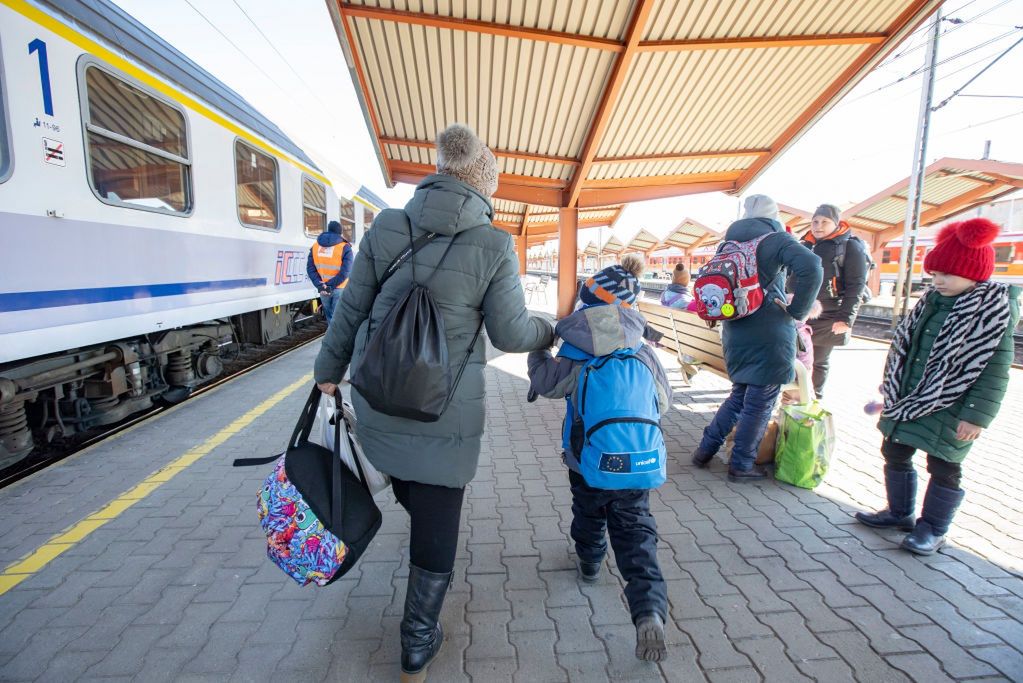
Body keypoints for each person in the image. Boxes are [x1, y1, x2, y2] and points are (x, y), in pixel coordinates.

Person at [314, 124, 554, 680]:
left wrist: (328, 372)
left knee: (401, 474)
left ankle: (405, 518)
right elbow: (513, 333)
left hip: (378, 393)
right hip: (444, 408)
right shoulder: (494, 244)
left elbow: (350, 310)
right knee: (438, 513)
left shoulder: (389, 226)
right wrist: (550, 332)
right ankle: (417, 640)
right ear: (483, 184)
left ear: (438, 174)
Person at [527, 263, 671, 662]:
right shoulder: (644, 351)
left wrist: (538, 350)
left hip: (587, 460)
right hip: (638, 462)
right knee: (636, 531)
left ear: (585, 303)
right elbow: (665, 402)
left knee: (589, 513)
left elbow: (545, 383)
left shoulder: (576, 351)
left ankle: (590, 562)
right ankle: (649, 611)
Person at [856, 218, 1018, 555]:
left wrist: (977, 417)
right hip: (912, 398)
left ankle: (933, 529)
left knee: (943, 465)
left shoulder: (991, 313)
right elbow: (907, 350)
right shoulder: (930, 303)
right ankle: (900, 513)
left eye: (947, 274)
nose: (938, 280)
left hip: (953, 406)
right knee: (894, 450)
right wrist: (893, 384)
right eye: (934, 274)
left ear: (974, 273)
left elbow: (995, 371)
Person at [691, 194, 823, 481]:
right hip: (769, 332)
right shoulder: (774, 239)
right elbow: (812, 267)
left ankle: (705, 450)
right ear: (773, 216)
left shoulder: (728, 243)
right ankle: (742, 464)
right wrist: (797, 310)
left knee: (739, 396)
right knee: (760, 401)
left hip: (735, 329)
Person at [799, 204, 870, 397]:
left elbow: (857, 284)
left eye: (824, 222)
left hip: (830, 315)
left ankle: (815, 397)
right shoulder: (805, 244)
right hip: (802, 313)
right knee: (798, 359)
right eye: (815, 221)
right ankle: (796, 396)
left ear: (836, 223)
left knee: (819, 361)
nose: (818, 226)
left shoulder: (850, 246)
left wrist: (846, 318)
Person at [307, 219, 354, 323]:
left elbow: (310, 269)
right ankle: (336, 339)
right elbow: (346, 272)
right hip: (339, 288)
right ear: (340, 233)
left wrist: (321, 285)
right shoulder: (345, 247)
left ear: (328, 230)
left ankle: (331, 338)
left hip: (323, 288)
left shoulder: (315, 246)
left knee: (329, 317)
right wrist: (330, 285)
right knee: (338, 319)